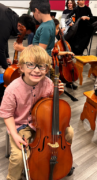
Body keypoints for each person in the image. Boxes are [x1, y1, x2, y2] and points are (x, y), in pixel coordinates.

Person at [0, 45, 74, 179]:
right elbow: (7, 114)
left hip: (44, 123)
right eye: (30, 65)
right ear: (21, 67)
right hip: (22, 125)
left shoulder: (49, 83)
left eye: (42, 66)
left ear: (47, 69)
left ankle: (61, 160)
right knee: (18, 157)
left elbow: (50, 104)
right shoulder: (12, 89)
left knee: (69, 132)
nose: (36, 70)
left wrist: (58, 93)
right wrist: (15, 135)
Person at [0, 3, 35, 70]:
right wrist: (7, 68)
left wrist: (6, 57)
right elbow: (0, 49)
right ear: (19, 26)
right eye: (24, 33)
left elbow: (4, 40)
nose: (22, 35)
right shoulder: (6, 23)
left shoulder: (13, 19)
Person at [53, 18, 77, 90]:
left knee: (71, 64)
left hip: (60, 59)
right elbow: (56, 52)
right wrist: (67, 52)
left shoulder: (55, 38)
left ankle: (69, 82)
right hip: (54, 59)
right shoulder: (51, 39)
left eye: (58, 29)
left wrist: (61, 37)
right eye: (57, 29)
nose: (58, 30)